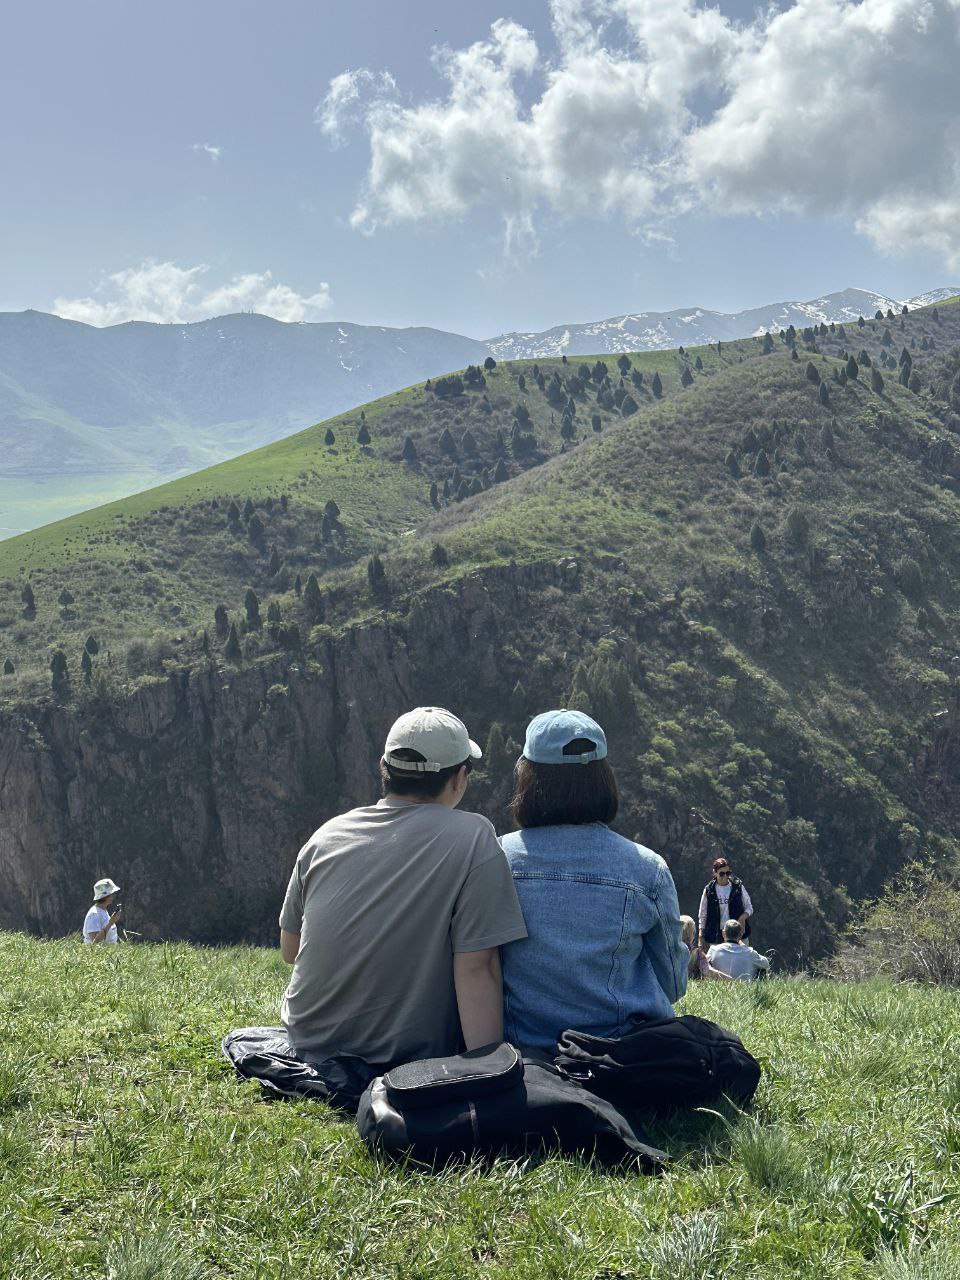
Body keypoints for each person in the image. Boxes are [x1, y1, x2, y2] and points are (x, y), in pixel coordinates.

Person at [278, 707, 527, 1066]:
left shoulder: (326, 835)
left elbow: (290, 949)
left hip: (307, 1045)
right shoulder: (473, 837)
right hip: (404, 1059)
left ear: (383, 766)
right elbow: (478, 967)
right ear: (459, 777)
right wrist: (487, 1069)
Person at [499, 709, 689, 1053]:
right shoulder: (648, 869)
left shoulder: (496, 859)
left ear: (527, 778)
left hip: (523, 1055)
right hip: (619, 1058)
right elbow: (674, 985)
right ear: (604, 779)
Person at [698, 857, 753, 955]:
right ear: (715, 873)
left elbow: (749, 907)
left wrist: (742, 917)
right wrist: (701, 935)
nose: (725, 876)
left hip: (737, 933)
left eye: (728, 873)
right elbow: (703, 915)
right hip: (717, 934)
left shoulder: (737, 887)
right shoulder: (709, 890)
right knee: (717, 961)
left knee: (743, 958)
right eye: (721, 874)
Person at [706, 919, 770, 981]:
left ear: (723, 933)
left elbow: (703, 965)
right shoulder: (750, 953)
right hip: (744, 987)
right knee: (762, 969)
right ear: (740, 935)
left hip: (719, 986)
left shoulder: (713, 950)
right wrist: (744, 946)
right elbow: (766, 963)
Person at [83, 878, 123, 944]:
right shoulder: (94, 914)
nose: (114, 895)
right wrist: (110, 923)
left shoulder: (103, 911)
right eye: (112, 893)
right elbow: (95, 942)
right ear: (106, 896)